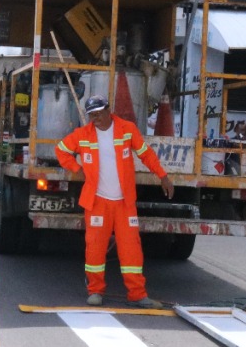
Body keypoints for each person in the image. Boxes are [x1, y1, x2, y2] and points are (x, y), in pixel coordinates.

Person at [57, 95, 175, 309]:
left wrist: (163, 176)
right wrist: (77, 168)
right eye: (92, 115)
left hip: (124, 203)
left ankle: (137, 294)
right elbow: (61, 150)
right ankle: (95, 291)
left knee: (131, 250)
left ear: (108, 110)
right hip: (97, 203)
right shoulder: (83, 135)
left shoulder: (126, 129)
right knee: (95, 248)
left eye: (100, 113)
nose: (96, 118)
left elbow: (146, 154)